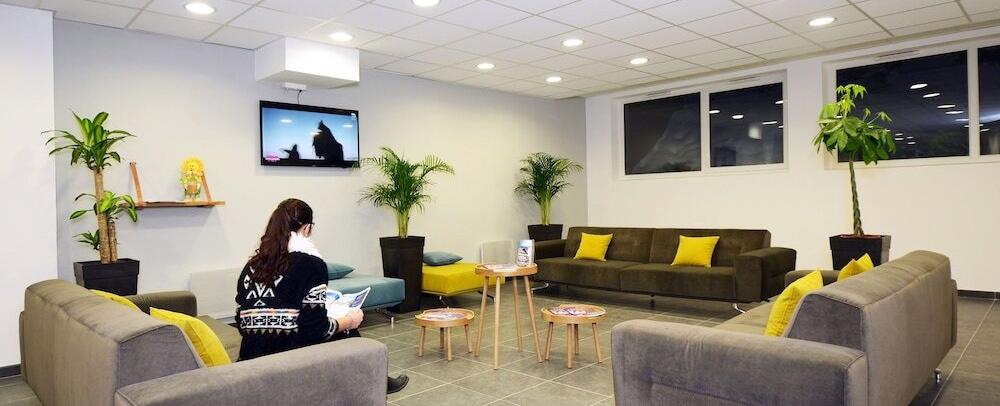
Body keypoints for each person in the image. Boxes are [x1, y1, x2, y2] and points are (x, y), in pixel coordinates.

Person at [235, 198, 408, 394]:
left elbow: (241, 320)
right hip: (289, 360)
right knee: (347, 332)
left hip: (251, 357)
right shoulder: (311, 265)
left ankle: (376, 381)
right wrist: (348, 321)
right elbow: (317, 331)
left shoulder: (252, 265)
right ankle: (376, 382)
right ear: (306, 228)